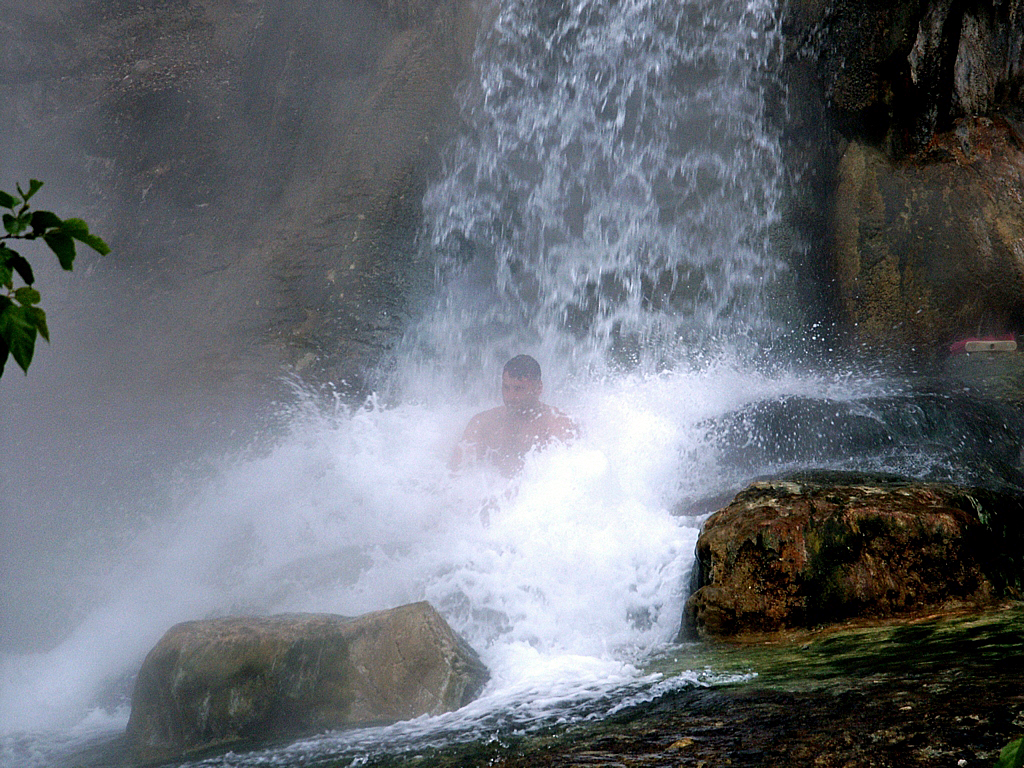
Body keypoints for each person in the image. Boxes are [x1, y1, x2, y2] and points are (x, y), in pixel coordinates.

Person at [450, 354, 578, 477]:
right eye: (506, 388)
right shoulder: (482, 423)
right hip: (492, 494)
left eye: (519, 389)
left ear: (538, 388)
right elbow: (455, 473)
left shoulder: (558, 423)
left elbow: (563, 481)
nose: (510, 397)